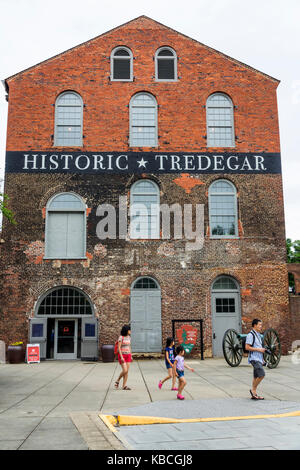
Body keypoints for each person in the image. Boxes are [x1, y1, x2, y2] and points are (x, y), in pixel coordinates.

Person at [245, 318, 266, 400]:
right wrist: (259, 350)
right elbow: (247, 347)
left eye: (261, 325)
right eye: (259, 325)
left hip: (259, 358)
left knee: (256, 376)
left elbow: (259, 347)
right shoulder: (251, 335)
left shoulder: (258, 334)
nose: (261, 326)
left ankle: (254, 393)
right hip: (254, 359)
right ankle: (253, 390)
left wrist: (262, 359)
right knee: (262, 375)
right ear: (255, 325)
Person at [115, 324, 132, 390]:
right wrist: (121, 357)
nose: (130, 331)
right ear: (126, 330)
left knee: (127, 371)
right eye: (129, 330)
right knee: (125, 370)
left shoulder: (129, 337)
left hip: (128, 355)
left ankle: (124, 386)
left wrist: (131, 355)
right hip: (122, 355)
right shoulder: (121, 337)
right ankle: (118, 380)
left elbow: (129, 346)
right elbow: (119, 348)